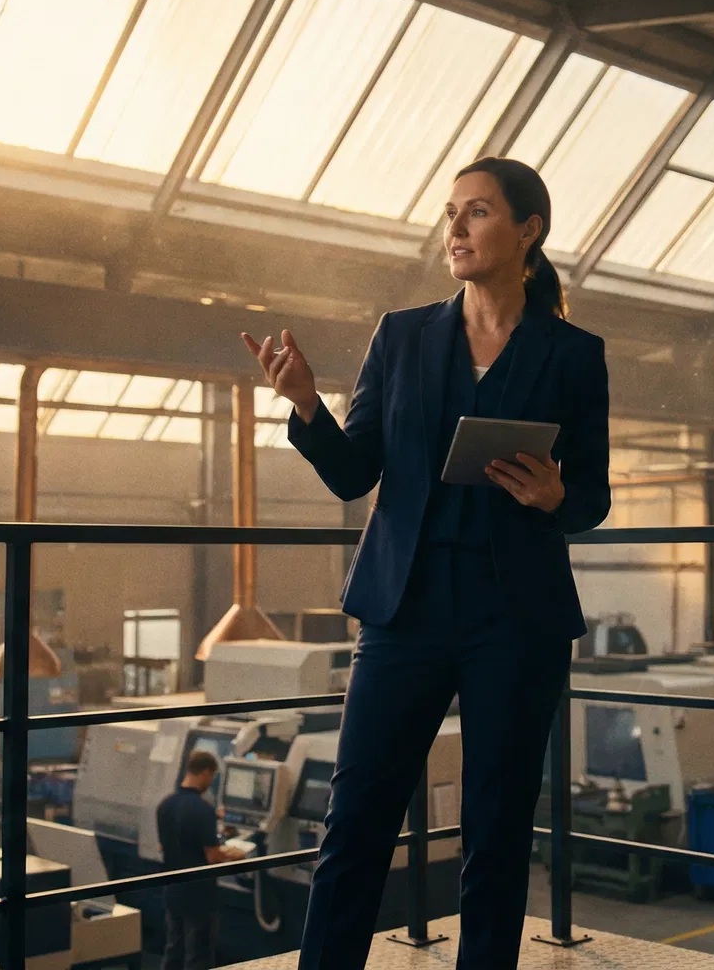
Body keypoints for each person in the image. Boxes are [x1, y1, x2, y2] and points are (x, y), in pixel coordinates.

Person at [242, 158, 610, 970]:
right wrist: (306, 404)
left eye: (477, 213)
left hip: (516, 618)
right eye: (452, 213)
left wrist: (557, 496)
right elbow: (353, 473)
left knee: (497, 828)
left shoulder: (575, 355)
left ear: (528, 231)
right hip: (403, 609)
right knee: (357, 821)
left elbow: (594, 496)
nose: (456, 229)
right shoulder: (402, 336)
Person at [156, 751, 248, 970]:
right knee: (198, 955)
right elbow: (213, 857)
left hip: (173, 890)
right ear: (206, 773)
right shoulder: (203, 810)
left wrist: (212, 821)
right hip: (199, 894)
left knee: (173, 950)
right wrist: (234, 853)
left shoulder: (165, 805)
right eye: (212, 776)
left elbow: (163, 846)